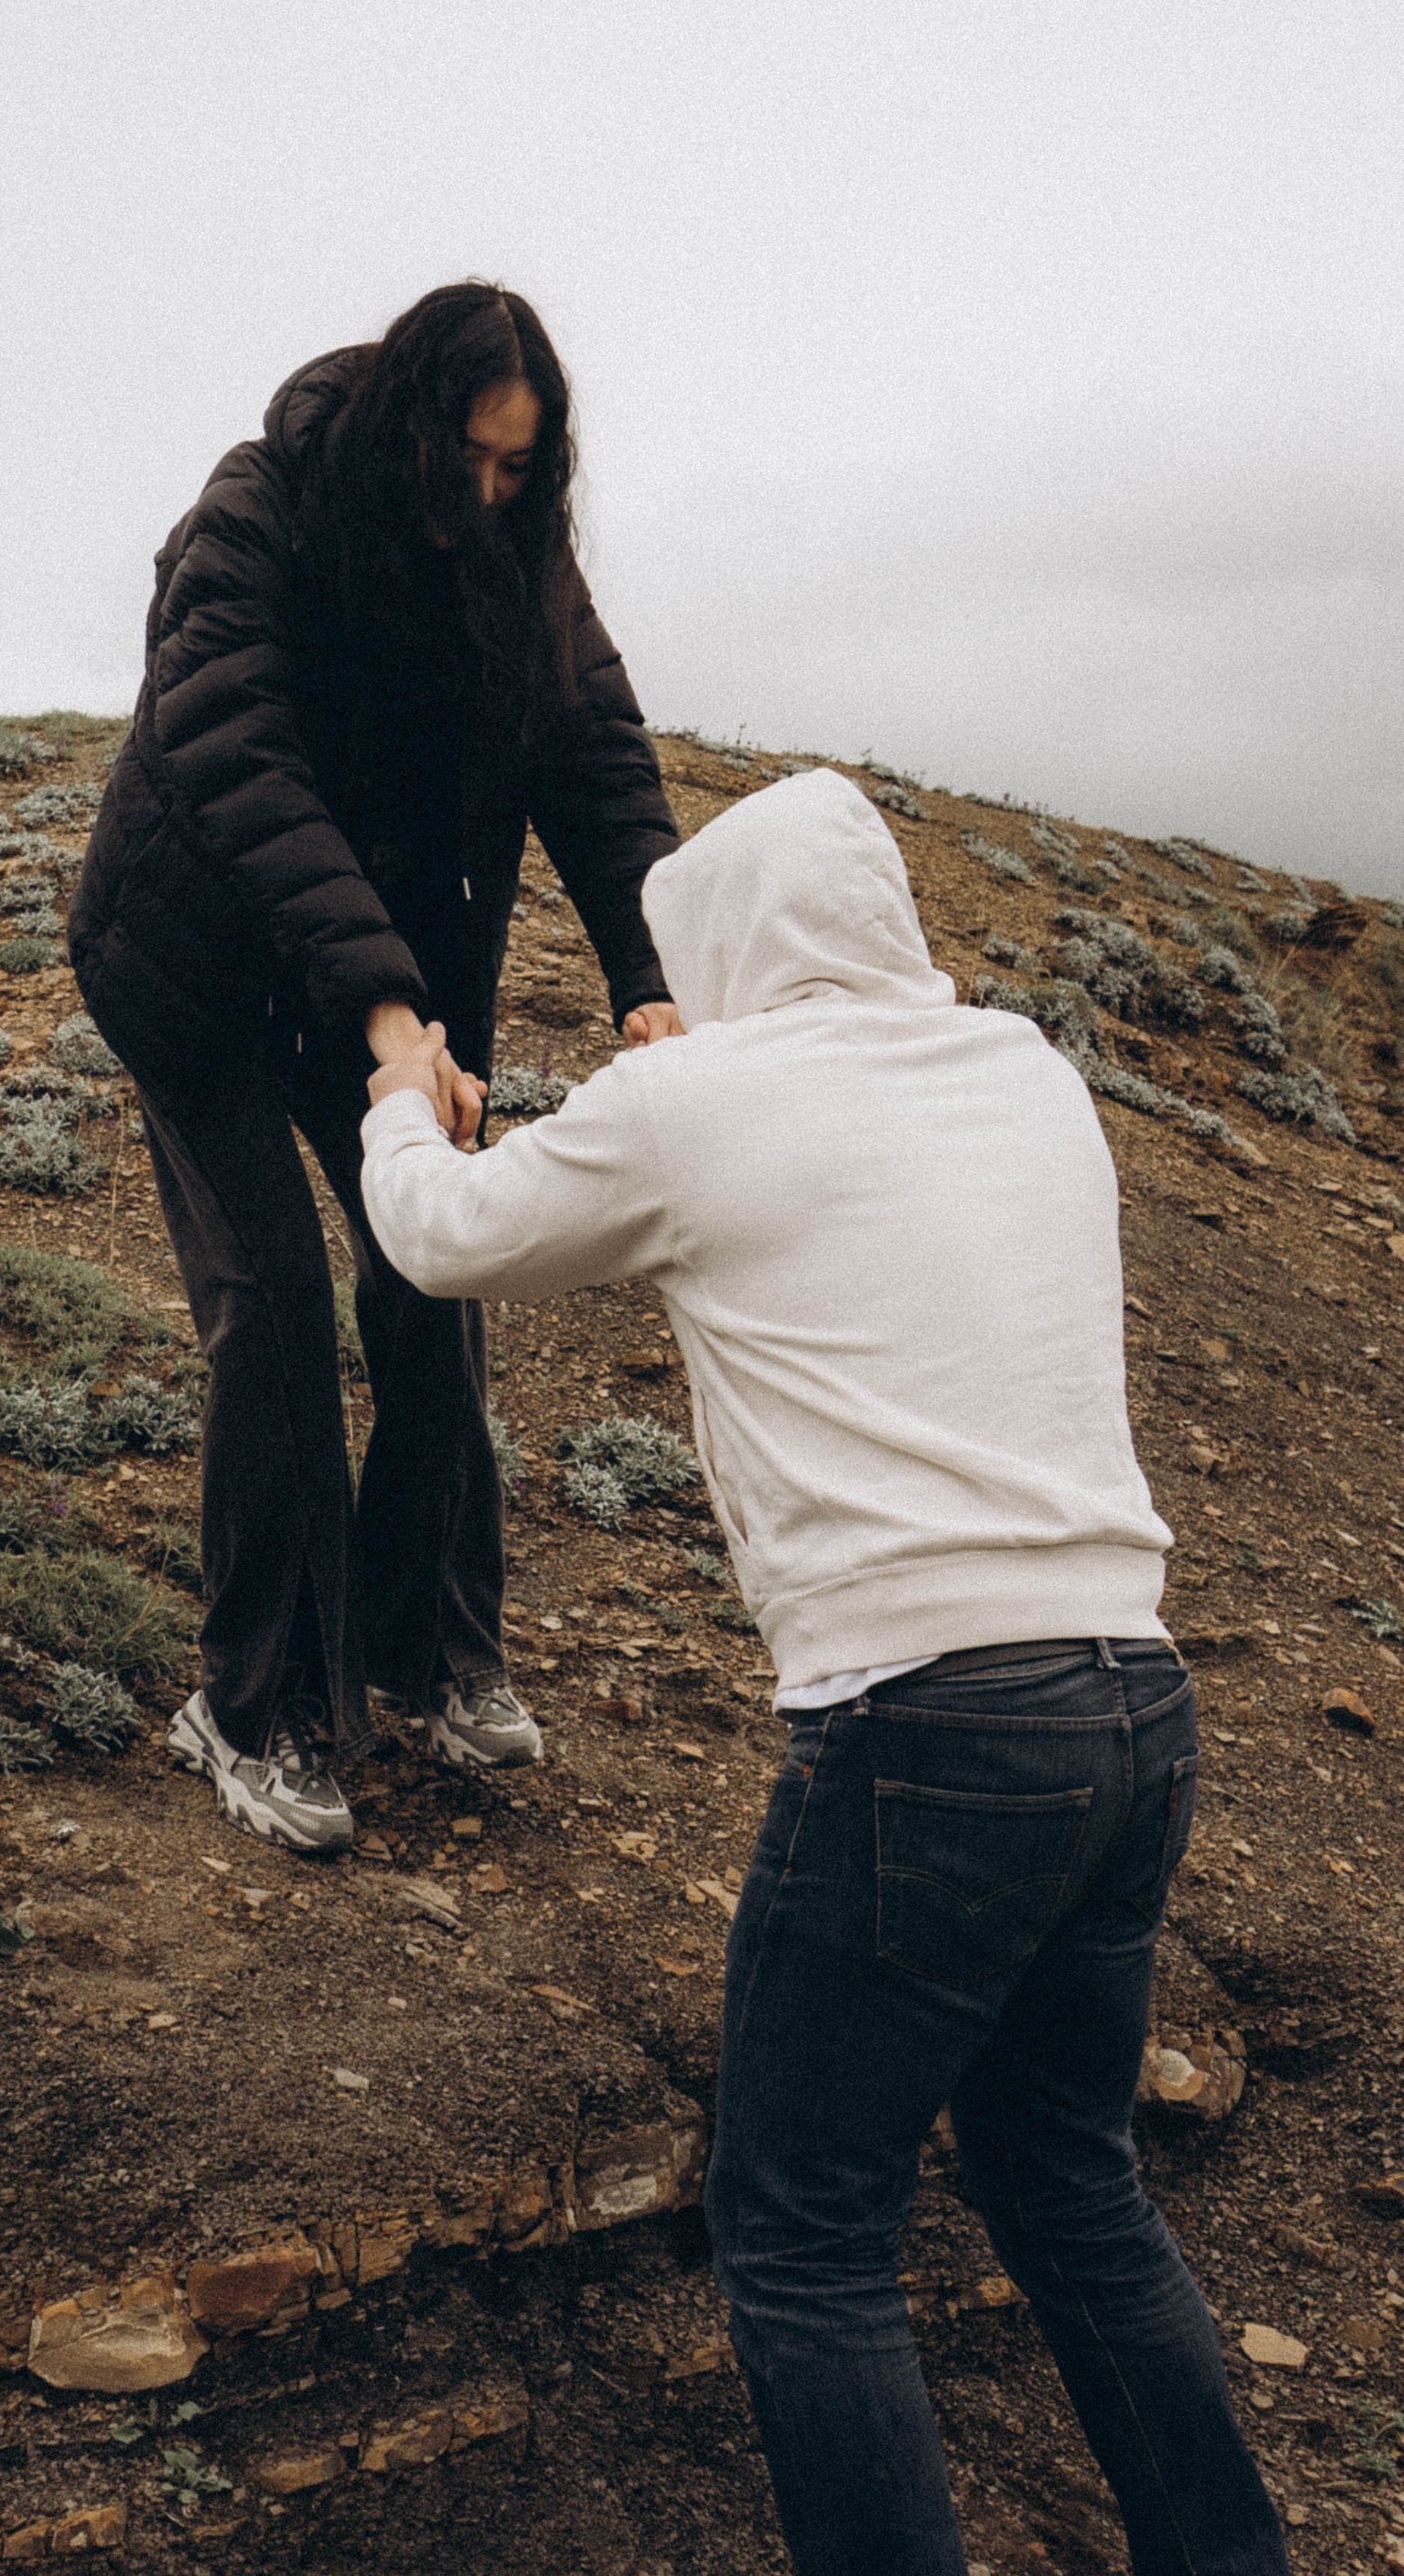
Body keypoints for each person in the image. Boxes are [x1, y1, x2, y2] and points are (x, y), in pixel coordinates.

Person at [359, 767, 1288, 2576]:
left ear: (716, 950)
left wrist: (407, 1100)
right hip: (1129, 1705)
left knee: (799, 2233)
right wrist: (690, 1059)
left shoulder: (696, 1100)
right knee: (1069, 2186)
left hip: (926, 1726)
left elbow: (442, 1238)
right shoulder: (1025, 1073)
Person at [66, 282, 680, 1857]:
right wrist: (389, 1019)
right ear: (411, 424)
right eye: (471, 462)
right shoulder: (258, 514)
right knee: (268, 1309)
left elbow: (595, 757)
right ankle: (254, 1703)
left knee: (432, 1283)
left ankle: (425, 1650)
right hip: (197, 970)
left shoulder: (514, 557)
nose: (489, 496)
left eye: (517, 473)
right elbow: (239, 762)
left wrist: (650, 980)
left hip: (382, 988)